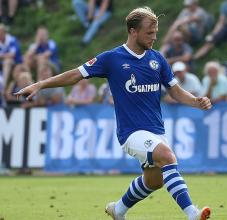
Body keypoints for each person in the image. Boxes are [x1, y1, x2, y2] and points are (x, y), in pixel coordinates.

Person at [15, 7, 212, 220]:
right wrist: (41, 84)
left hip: (156, 131)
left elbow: (174, 90)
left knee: (154, 181)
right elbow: (75, 75)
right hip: (131, 132)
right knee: (167, 156)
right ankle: (192, 213)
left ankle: (118, 210)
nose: (154, 37)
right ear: (133, 31)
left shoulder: (157, 59)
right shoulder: (112, 59)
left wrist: (195, 101)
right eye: (149, 32)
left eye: (156, 32)